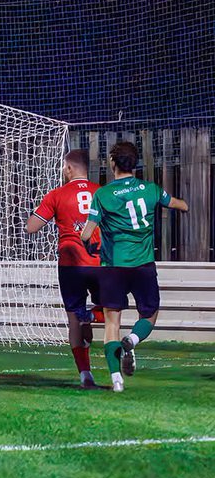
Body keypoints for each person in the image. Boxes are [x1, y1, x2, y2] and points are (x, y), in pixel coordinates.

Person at [80, 141, 188, 392]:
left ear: (113, 163)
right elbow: (175, 203)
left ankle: (116, 379)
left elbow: (87, 234)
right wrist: (185, 207)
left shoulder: (103, 194)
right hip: (143, 265)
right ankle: (134, 339)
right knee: (150, 313)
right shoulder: (150, 189)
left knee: (111, 324)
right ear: (135, 163)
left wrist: (87, 241)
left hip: (113, 266)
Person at [26, 149, 103, 389]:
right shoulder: (101, 192)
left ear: (69, 169)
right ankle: (115, 372)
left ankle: (85, 375)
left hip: (70, 263)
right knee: (113, 309)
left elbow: (31, 227)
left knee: (73, 318)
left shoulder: (57, 194)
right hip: (99, 261)